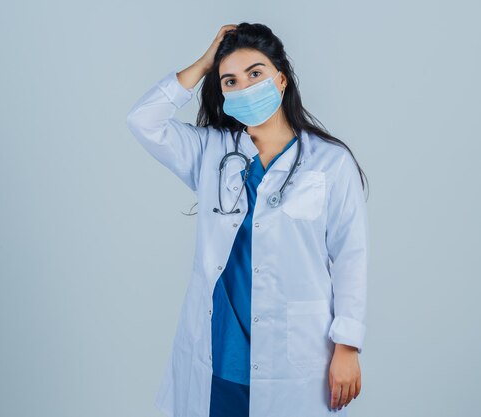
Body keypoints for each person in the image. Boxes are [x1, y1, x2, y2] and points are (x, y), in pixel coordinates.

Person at [126, 22, 369, 417]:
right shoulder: (210, 152)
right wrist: (205, 63)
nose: (245, 87)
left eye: (255, 73)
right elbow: (143, 121)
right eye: (230, 81)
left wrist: (347, 345)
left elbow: (350, 257)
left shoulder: (330, 163)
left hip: (296, 355)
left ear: (281, 79)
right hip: (221, 351)